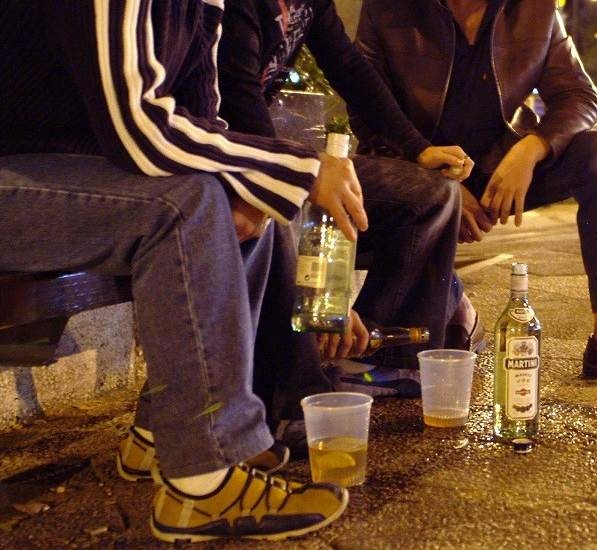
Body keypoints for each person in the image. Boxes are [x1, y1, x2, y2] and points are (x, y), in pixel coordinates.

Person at [0, 0, 358, 542]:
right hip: (17, 177)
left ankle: (163, 434)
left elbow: (202, 117)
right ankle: (203, 483)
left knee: (243, 209)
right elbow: (137, 127)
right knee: (187, 205)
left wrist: (254, 185)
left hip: (63, 171)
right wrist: (299, 170)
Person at [352, 0, 597, 389]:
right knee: (422, 208)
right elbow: (368, 113)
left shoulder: (535, 8)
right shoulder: (388, 8)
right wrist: (439, 182)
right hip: (418, 167)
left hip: (502, 169)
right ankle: (440, 313)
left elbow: (579, 95)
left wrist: (532, 149)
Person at [213, 0, 482, 403]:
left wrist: (417, 148)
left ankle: (381, 363)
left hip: (273, 156)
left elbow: (349, 68)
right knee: (274, 208)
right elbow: (237, 100)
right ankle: (292, 398)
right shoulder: (237, 7)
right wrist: (327, 301)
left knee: (430, 194)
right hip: (224, 158)